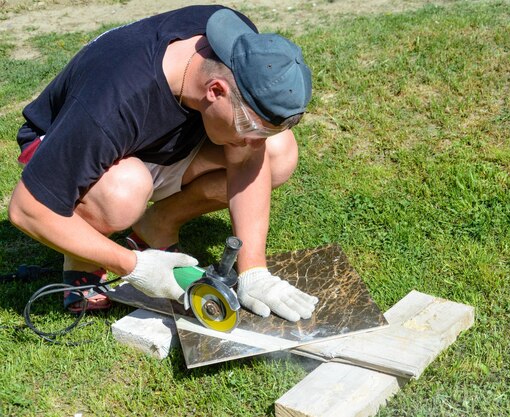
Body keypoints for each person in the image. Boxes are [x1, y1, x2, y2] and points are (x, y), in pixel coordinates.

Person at [7, 5, 318, 322]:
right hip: (67, 139)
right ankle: (82, 264)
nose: (254, 143)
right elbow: (28, 209)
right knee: (122, 193)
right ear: (215, 90)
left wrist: (254, 272)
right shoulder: (113, 101)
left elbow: (249, 150)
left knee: (278, 153)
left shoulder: (241, 53)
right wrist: (134, 267)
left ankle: (158, 224)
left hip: (158, 141)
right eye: (251, 130)